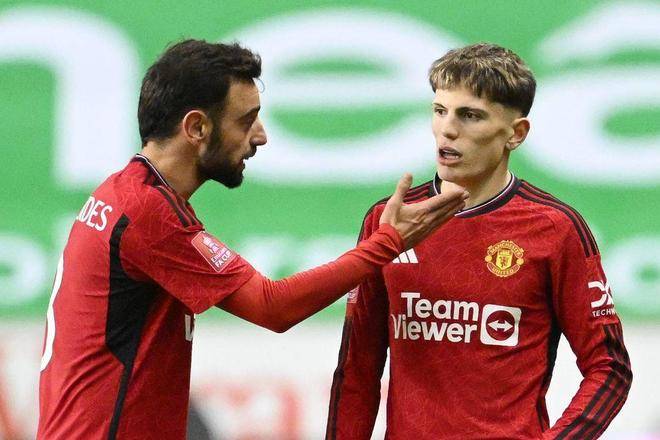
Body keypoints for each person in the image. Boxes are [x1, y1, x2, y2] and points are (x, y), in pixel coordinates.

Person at [36, 39, 469, 439]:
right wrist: (387, 243)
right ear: (196, 127)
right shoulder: (148, 212)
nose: (260, 135)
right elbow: (273, 306)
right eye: (245, 121)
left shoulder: (125, 194)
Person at [326, 43, 632, 439]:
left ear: (516, 134)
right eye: (440, 111)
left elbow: (609, 367)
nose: (448, 129)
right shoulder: (389, 220)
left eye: (470, 115)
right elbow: (357, 370)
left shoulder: (555, 228)